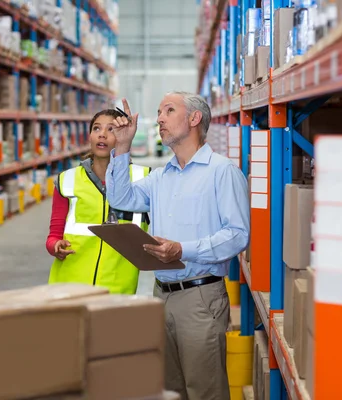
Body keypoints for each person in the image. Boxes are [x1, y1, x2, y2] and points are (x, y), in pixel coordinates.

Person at [106, 94, 250, 400]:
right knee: (170, 390)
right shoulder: (161, 177)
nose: (159, 118)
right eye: (158, 112)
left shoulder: (221, 172)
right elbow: (120, 200)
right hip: (162, 294)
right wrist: (121, 147)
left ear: (195, 119)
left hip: (201, 298)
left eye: (169, 111)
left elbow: (238, 235)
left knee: (205, 390)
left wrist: (182, 250)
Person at [46, 109, 151, 294]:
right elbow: (54, 234)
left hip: (117, 288)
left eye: (111, 129)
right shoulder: (67, 180)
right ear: (89, 136)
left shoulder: (143, 179)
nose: (102, 134)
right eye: (96, 128)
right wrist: (55, 246)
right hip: (70, 286)